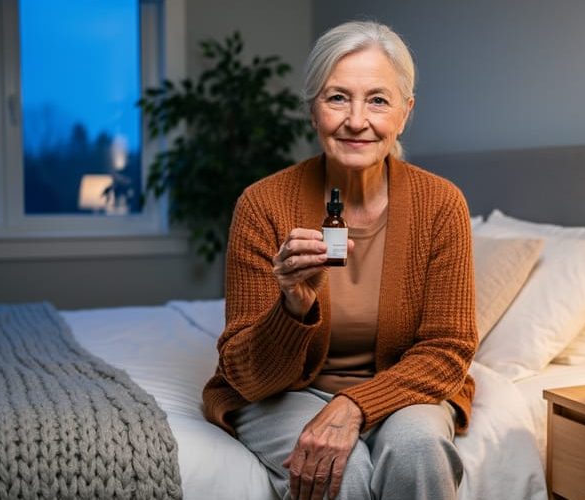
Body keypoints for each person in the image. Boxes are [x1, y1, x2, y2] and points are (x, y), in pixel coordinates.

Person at [202, 20, 478, 500]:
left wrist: (353, 405)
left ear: (404, 113)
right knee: (336, 473)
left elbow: (448, 348)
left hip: (402, 388)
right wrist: (291, 307)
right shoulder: (262, 204)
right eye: (336, 98)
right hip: (285, 394)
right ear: (312, 110)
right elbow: (244, 372)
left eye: (377, 99)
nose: (356, 120)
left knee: (418, 449)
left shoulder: (441, 204)